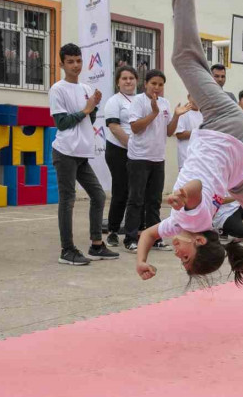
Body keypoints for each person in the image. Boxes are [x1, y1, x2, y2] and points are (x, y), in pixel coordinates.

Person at [136, 0, 243, 286]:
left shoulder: (176, 226)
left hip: (239, 156)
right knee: (183, 59)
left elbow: (146, 233)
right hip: (225, 127)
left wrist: (141, 259)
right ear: (199, 241)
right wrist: (182, 194)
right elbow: (196, 190)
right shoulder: (193, 216)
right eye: (184, 257)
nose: (175, 253)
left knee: (241, 187)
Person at [50, 43, 119, 264]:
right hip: (65, 152)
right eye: (70, 61)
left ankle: (96, 245)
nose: (76, 65)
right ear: (62, 64)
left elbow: (88, 120)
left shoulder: (86, 89)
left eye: (78, 61)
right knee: (67, 200)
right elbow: (61, 123)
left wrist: (94, 106)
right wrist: (87, 109)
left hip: (81, 153)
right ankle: (67, 250)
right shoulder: (57, 89)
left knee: (98, 195)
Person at [124, 69, 189, 252]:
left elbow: (169, 132)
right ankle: (131, 238)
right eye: (153, 83)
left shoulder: (166, 103)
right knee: (136, 199)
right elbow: (135, 128)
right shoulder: (138, 101)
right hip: (139, 158)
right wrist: (153, 113)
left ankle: (155, 238)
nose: (157, 87)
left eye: (160, 84)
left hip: (157, 158)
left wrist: (176, 115)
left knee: (154, 200)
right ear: (145, 84)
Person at [103, 65, 138, 248]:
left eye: (131, 78)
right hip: (118, 150)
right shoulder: (114, 101)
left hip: (139, 153)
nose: (128, 81)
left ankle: (136, 231)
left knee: (137, 193)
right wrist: (132, 145)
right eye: (124, 78)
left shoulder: (142, 100)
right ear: (118, 82)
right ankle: (113, 231)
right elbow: (115, 127)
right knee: (121, 191)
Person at [174, 94, 202, 169]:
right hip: (186, 159)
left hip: (200, 159)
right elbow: (179, 134)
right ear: (189, 97)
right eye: (194, 95)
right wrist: (199, 132)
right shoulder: (183, 112)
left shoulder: (203, 114)